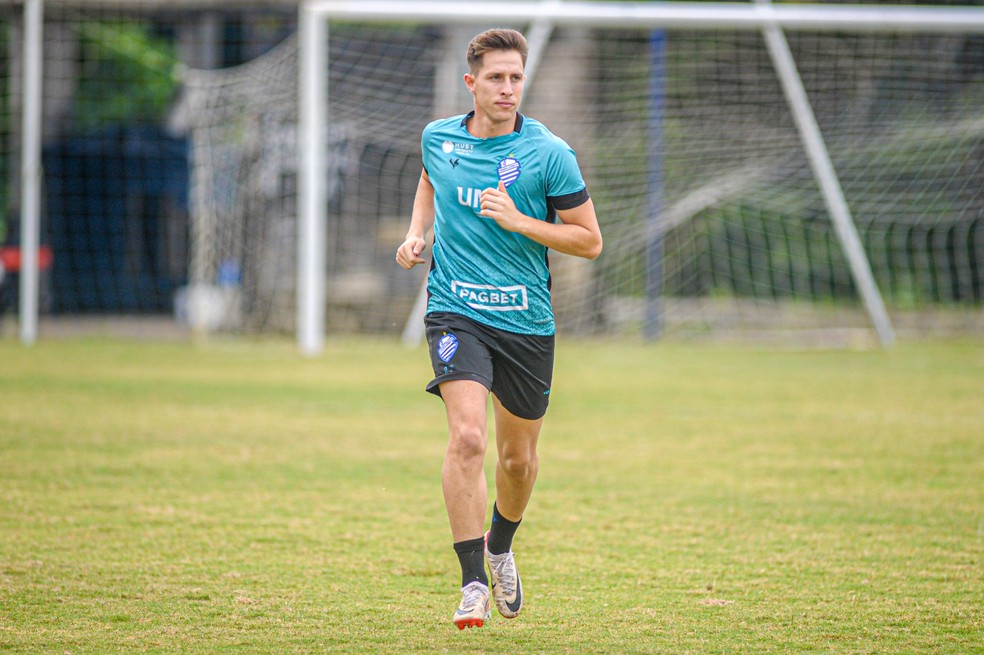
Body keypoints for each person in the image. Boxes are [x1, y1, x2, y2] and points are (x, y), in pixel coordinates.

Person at [395, 28, 602, 630]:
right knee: (466, 438)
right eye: (496, 78)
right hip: (455, 309)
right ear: (472, 84)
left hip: (525, 322)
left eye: (516, 77)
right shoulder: (439, 137)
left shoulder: (548, 153)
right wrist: (417, 234)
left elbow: (589, 240)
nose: (507, 88)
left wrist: (520, 221)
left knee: (517, 460)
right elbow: (431, 180)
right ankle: (470, 584)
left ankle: (501, 544)